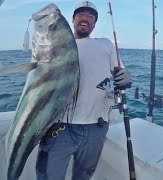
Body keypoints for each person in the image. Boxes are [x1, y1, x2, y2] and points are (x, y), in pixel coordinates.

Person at [35, 1, 132, 180]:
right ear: (72, 20)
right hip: (59, 128)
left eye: (91, 16)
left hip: (96, 128)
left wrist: (126, 77)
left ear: (94, 24)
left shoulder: (105, 44)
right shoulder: (56, 46)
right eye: (81, 14)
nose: (86, 18)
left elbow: (119, 71)